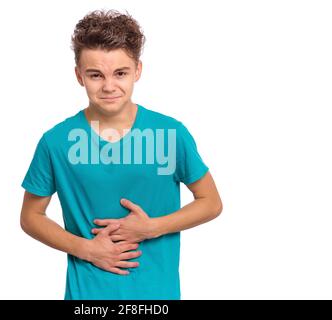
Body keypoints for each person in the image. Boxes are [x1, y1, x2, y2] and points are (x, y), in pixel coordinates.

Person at [20, 9, 223, 300]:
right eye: (95, 75)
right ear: (79, 76)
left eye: (120, 73)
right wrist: (86, 249)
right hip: (87, 297)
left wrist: (152, 227)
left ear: (137, 71)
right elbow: (30, 216)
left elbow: (211, 202)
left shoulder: (170, 133)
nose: (109, 86)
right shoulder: (56, 142)